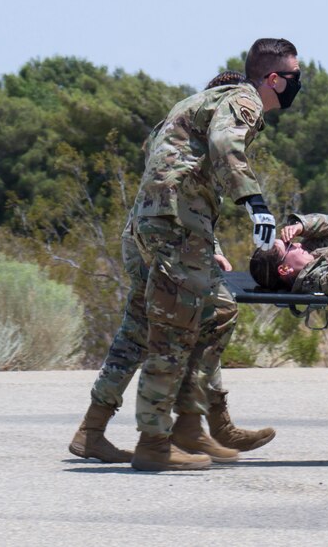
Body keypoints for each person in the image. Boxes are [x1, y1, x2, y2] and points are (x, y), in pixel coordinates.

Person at [67, 39, 298, 472]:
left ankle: (99, 430)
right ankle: (157, 440)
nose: (296, 85)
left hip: (148, 224)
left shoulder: (195, 101)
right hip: (175, 227)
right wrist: (255, 204)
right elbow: (225, 145)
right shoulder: (242, 100)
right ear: (273, 78)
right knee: (175, 331)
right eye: (294, 77)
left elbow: (165, 163)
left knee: (169, 319)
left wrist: (205, 242)